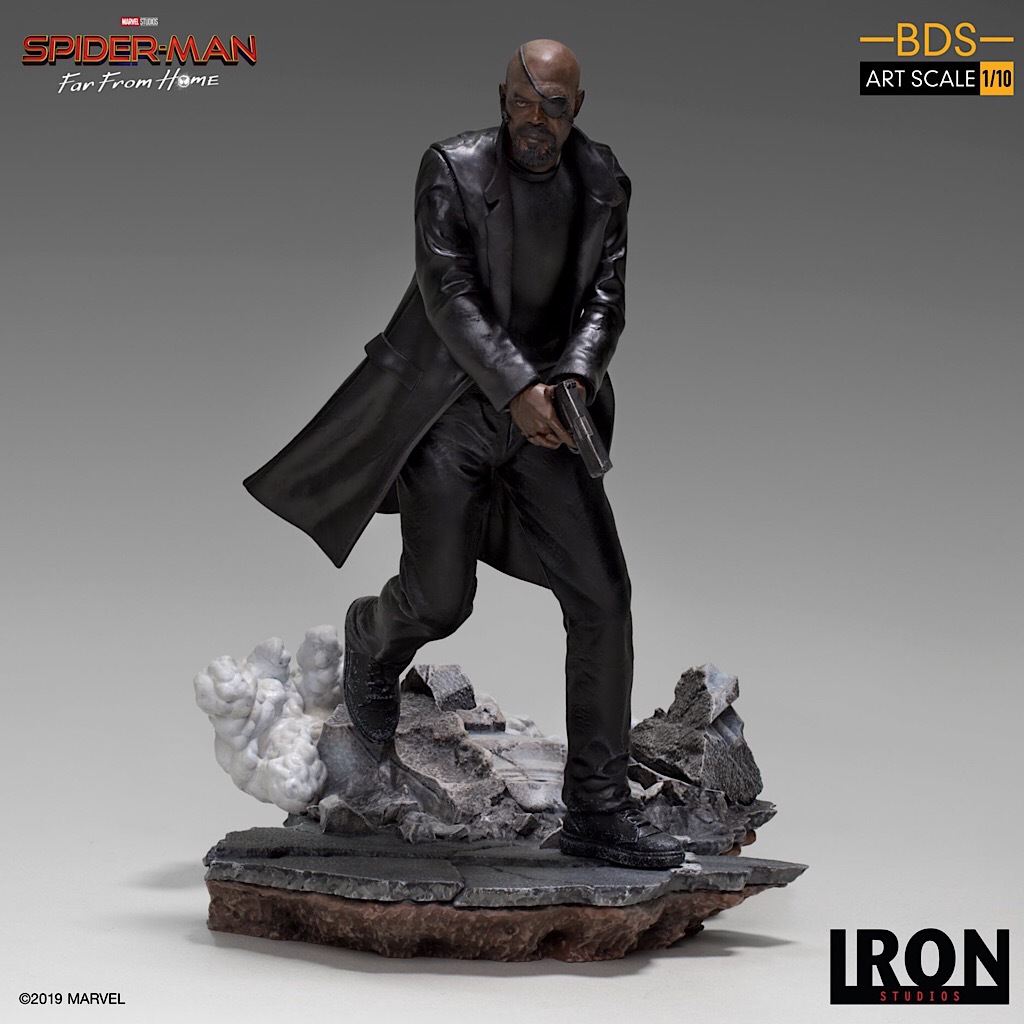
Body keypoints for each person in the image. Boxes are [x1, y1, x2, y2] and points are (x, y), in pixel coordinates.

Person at [244, 39, 684, 869]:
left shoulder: (603, 180)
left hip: (548, 420)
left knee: (604, 598)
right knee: (440, 602)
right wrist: (516, 387)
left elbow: (605, 300)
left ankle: (597, 811)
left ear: (578, 109)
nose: (535, 120)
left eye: (555, 106)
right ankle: (372, 634)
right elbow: (449, 295)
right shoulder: (452, 169)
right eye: (522, 101)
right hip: (449, 413)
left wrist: (574, 382)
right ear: (501, 95)